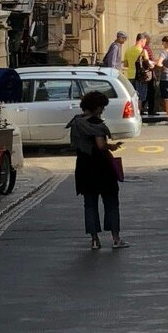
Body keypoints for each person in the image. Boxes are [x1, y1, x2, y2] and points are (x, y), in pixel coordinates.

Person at [68, 91, 129, 250]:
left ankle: (94, 240)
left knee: (90, 204)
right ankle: (115, 239)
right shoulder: (97, 124)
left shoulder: (76, 122)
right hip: (101, 166)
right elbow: (101, 145)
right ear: (96, 107)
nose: (102, 110)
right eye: (102, 107)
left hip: (83, 166)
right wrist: (112, 146)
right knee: (111, 201)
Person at [123, 32, 152, 112]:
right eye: (145, 41)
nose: (145, 44)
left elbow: (125, 64)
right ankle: (138, 114)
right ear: (142, 40)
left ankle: (132, 113)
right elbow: (147, 64)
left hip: (130, 76)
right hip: (140, 77)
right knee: (140, 97)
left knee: (131, 97)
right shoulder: (143, 51)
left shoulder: (128, 50)